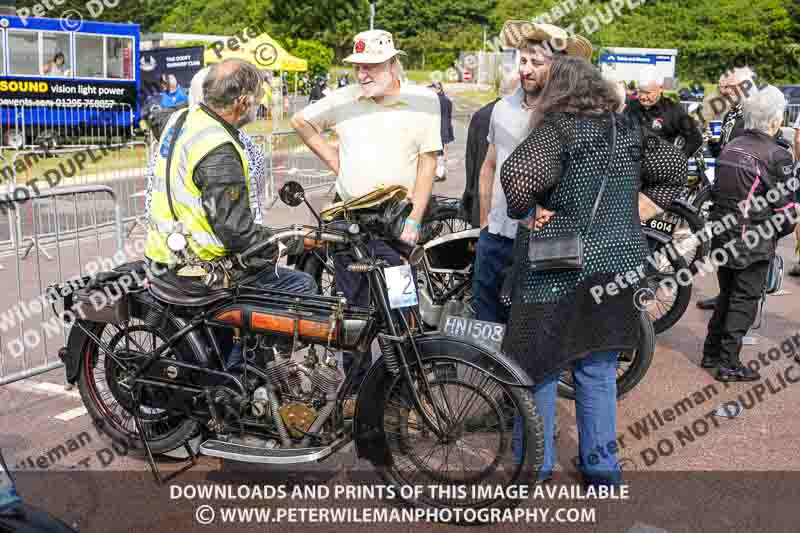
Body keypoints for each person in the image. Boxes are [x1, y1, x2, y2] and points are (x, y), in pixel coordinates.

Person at [500, 56, 686, 485]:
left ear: (558, 91)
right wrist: (638, 209)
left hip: (559, 260)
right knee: (599, 368)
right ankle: (603, 472)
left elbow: (516, 177)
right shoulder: (629, 129)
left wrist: (528, 212)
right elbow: (676, 170)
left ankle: (536, 465)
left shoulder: (559, 128)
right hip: (620, 261)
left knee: (539, 362)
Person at [290, 29, 441, 394]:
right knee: (352, 316)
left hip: (395, 226)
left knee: (403, 312)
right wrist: (335, 161)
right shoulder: (343, 98)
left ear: (392, 63)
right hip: (349, 225)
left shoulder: (423, 100)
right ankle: (358, 397)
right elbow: (300, 122)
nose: (363, 75)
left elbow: (427, 163)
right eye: (358, 67)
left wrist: (415, 219)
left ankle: (406, 396)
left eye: (371, 67)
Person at [145, 59, 316, 368]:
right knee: (301, 287)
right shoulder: (218, 148)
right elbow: (236, 232)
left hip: (163, 259)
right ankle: (245, 377)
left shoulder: (181, 119)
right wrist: (289, 241)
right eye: (258, 98)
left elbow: (154, 116)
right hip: (199, 272)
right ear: (242, 102)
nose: (259, 105)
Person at [473, 21, 593, 324]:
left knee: (532, 331)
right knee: (487, 323)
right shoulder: (502, 109)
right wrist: (486, 220)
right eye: (522, 60)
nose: (526, 69)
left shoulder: (572, 114)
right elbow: (488, 166)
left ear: (558, 66)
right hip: (497, 237)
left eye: (536, 62)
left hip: (546, 244)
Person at [700, 85, 797, 381]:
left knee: (728, 294)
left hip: (723, 233)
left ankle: (711, 353)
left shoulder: (732, 145)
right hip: (751, 238)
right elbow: (786, 210)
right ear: (774, 121)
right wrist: (777, 233)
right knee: (744, 300)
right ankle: (728, 363)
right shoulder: (777, 155)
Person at [462, 74, 519, 228]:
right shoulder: (512, 116)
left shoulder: (480, 114)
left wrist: (470, 192)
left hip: (480, 198)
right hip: (501, 203)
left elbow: (471, 159)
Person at [625, 66, 702, 158]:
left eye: (648, 93)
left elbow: (695, 138)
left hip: (662, 168)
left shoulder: (673, 109)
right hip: (634, 166)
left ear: (660, 88)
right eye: (640, 91)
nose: (643, 97)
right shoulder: (631, 107)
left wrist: (679, 159)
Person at [429, 82, 454, 182]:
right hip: (445, 129)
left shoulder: (435, 101)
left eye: (433, 88)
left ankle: (440, 174)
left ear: (438, 89)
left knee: (438, 152)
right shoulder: (447, 100)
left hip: (438, 129)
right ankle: (440, 172)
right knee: (441, 152)